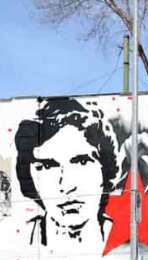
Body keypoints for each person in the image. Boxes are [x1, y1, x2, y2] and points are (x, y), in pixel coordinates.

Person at [14, 97, 121, 247]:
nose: (67, 185)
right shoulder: (18, 243)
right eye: (47, 166)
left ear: (106, 170)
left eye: (82, 162)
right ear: (30, 177)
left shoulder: (129, 242)